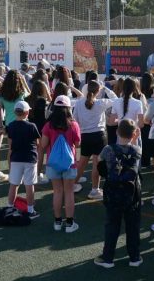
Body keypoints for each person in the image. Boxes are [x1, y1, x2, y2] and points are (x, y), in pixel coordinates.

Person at [93, 119, 143, 268]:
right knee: (133, 226)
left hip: (113, 192)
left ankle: (108, 257)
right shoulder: (136, 150)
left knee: (112, 225)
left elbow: (100, 165)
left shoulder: (108, 149)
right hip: (132, 194)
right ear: (134, 134)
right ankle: (134, 257)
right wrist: (135, 139)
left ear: (116, 132)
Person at [41, 95, 82, 233]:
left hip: (53, 163)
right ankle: (70, 223)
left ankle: (58, 222)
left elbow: (43, 144)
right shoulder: (73, 124)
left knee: (57, 192)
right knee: (69, 192)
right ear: (68, 108)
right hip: (69, 164)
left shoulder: (48, 125)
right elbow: (77, 144)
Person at [73, 80, 114, 199]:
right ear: (98, 91)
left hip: (85, 135)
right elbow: (116, 99)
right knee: (96, 164)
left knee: (82, 163)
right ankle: (94, 190)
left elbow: (75, 119)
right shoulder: (101, 102)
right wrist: (106, 89)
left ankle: (72, 185)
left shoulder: (79, 103)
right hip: (99, 136)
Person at [6, 100, 41, 219]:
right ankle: (30, 210)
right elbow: (37, 143)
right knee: (29, 185)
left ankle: (10, 207)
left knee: (13, 185)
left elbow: (10, 145)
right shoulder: (32, 126)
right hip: (30, 158)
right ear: (26, 113)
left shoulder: (10, 126)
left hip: (16, 158)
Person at [27, 79, 52, 184]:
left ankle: (30, 173)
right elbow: (46, 114)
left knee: (32, 151)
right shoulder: (42, 101)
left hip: (30, 127)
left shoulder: (27, 99)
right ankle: (37, 174)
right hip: (40, 128)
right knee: (41, 151)